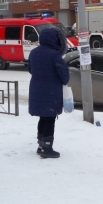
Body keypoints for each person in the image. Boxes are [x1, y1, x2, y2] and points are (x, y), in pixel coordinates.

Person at [28, 27, 70, 159]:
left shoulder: (34, 53)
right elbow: (65, 77)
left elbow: (30, 69)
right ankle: (47, 147)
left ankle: (41, 145)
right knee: (50, 119)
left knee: (43, 118)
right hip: (51, 92)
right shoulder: (55, 55)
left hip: (36, 90)